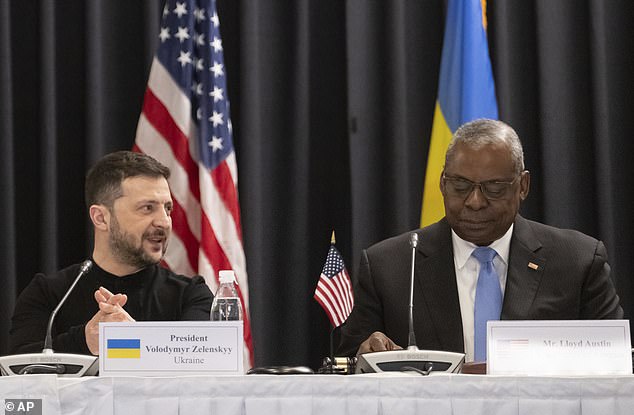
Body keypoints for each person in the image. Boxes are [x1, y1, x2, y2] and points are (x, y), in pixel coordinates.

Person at [338, 119, 623, 362]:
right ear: (442, 184)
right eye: (460, 186)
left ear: (523, 186)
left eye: (494, 188)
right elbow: (349, 370)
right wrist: (366, 354)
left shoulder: (579, 262)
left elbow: (615, 366)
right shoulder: (389, 266)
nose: (475, 202)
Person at [9, 151, 213, 355]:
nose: (164, 221)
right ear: (101, 218)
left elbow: (200, 361)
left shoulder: (191, 295)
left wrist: (132, 341)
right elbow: (19, 370)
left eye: (167, 209)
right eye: (147, 208)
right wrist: (85, 341)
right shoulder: (48, 295)